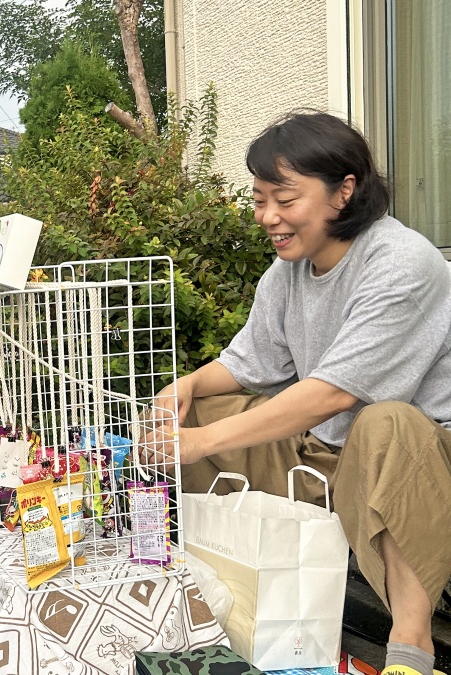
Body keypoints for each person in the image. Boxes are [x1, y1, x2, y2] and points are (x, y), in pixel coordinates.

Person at [149, 111, 451, 675]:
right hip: (325, 456)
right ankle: (220, 602)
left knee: (386, 422)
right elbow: (247, 365)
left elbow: (333, 394)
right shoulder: (287, 273)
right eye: (260, 200)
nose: (268, 217)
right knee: (200, 414)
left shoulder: (401, 262)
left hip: (418, 464)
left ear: (344, 191)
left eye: (284, 199)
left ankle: (411, 653)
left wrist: (203, 442)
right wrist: (184, 387)